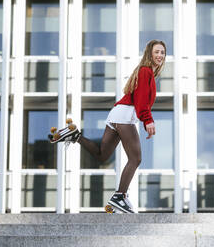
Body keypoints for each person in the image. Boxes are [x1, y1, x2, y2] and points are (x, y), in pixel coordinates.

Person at [51, 40, 166, 213]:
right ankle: (120, 196)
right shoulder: (145, 71)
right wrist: (147, 120)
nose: (160, 56)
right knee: (136, 159)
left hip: (117, 114)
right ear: (149, 54)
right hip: (125, 115)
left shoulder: (145, 72)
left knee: (102, 155)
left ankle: (75, 135)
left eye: (163, 53)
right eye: (156, 52)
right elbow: (141, 100)